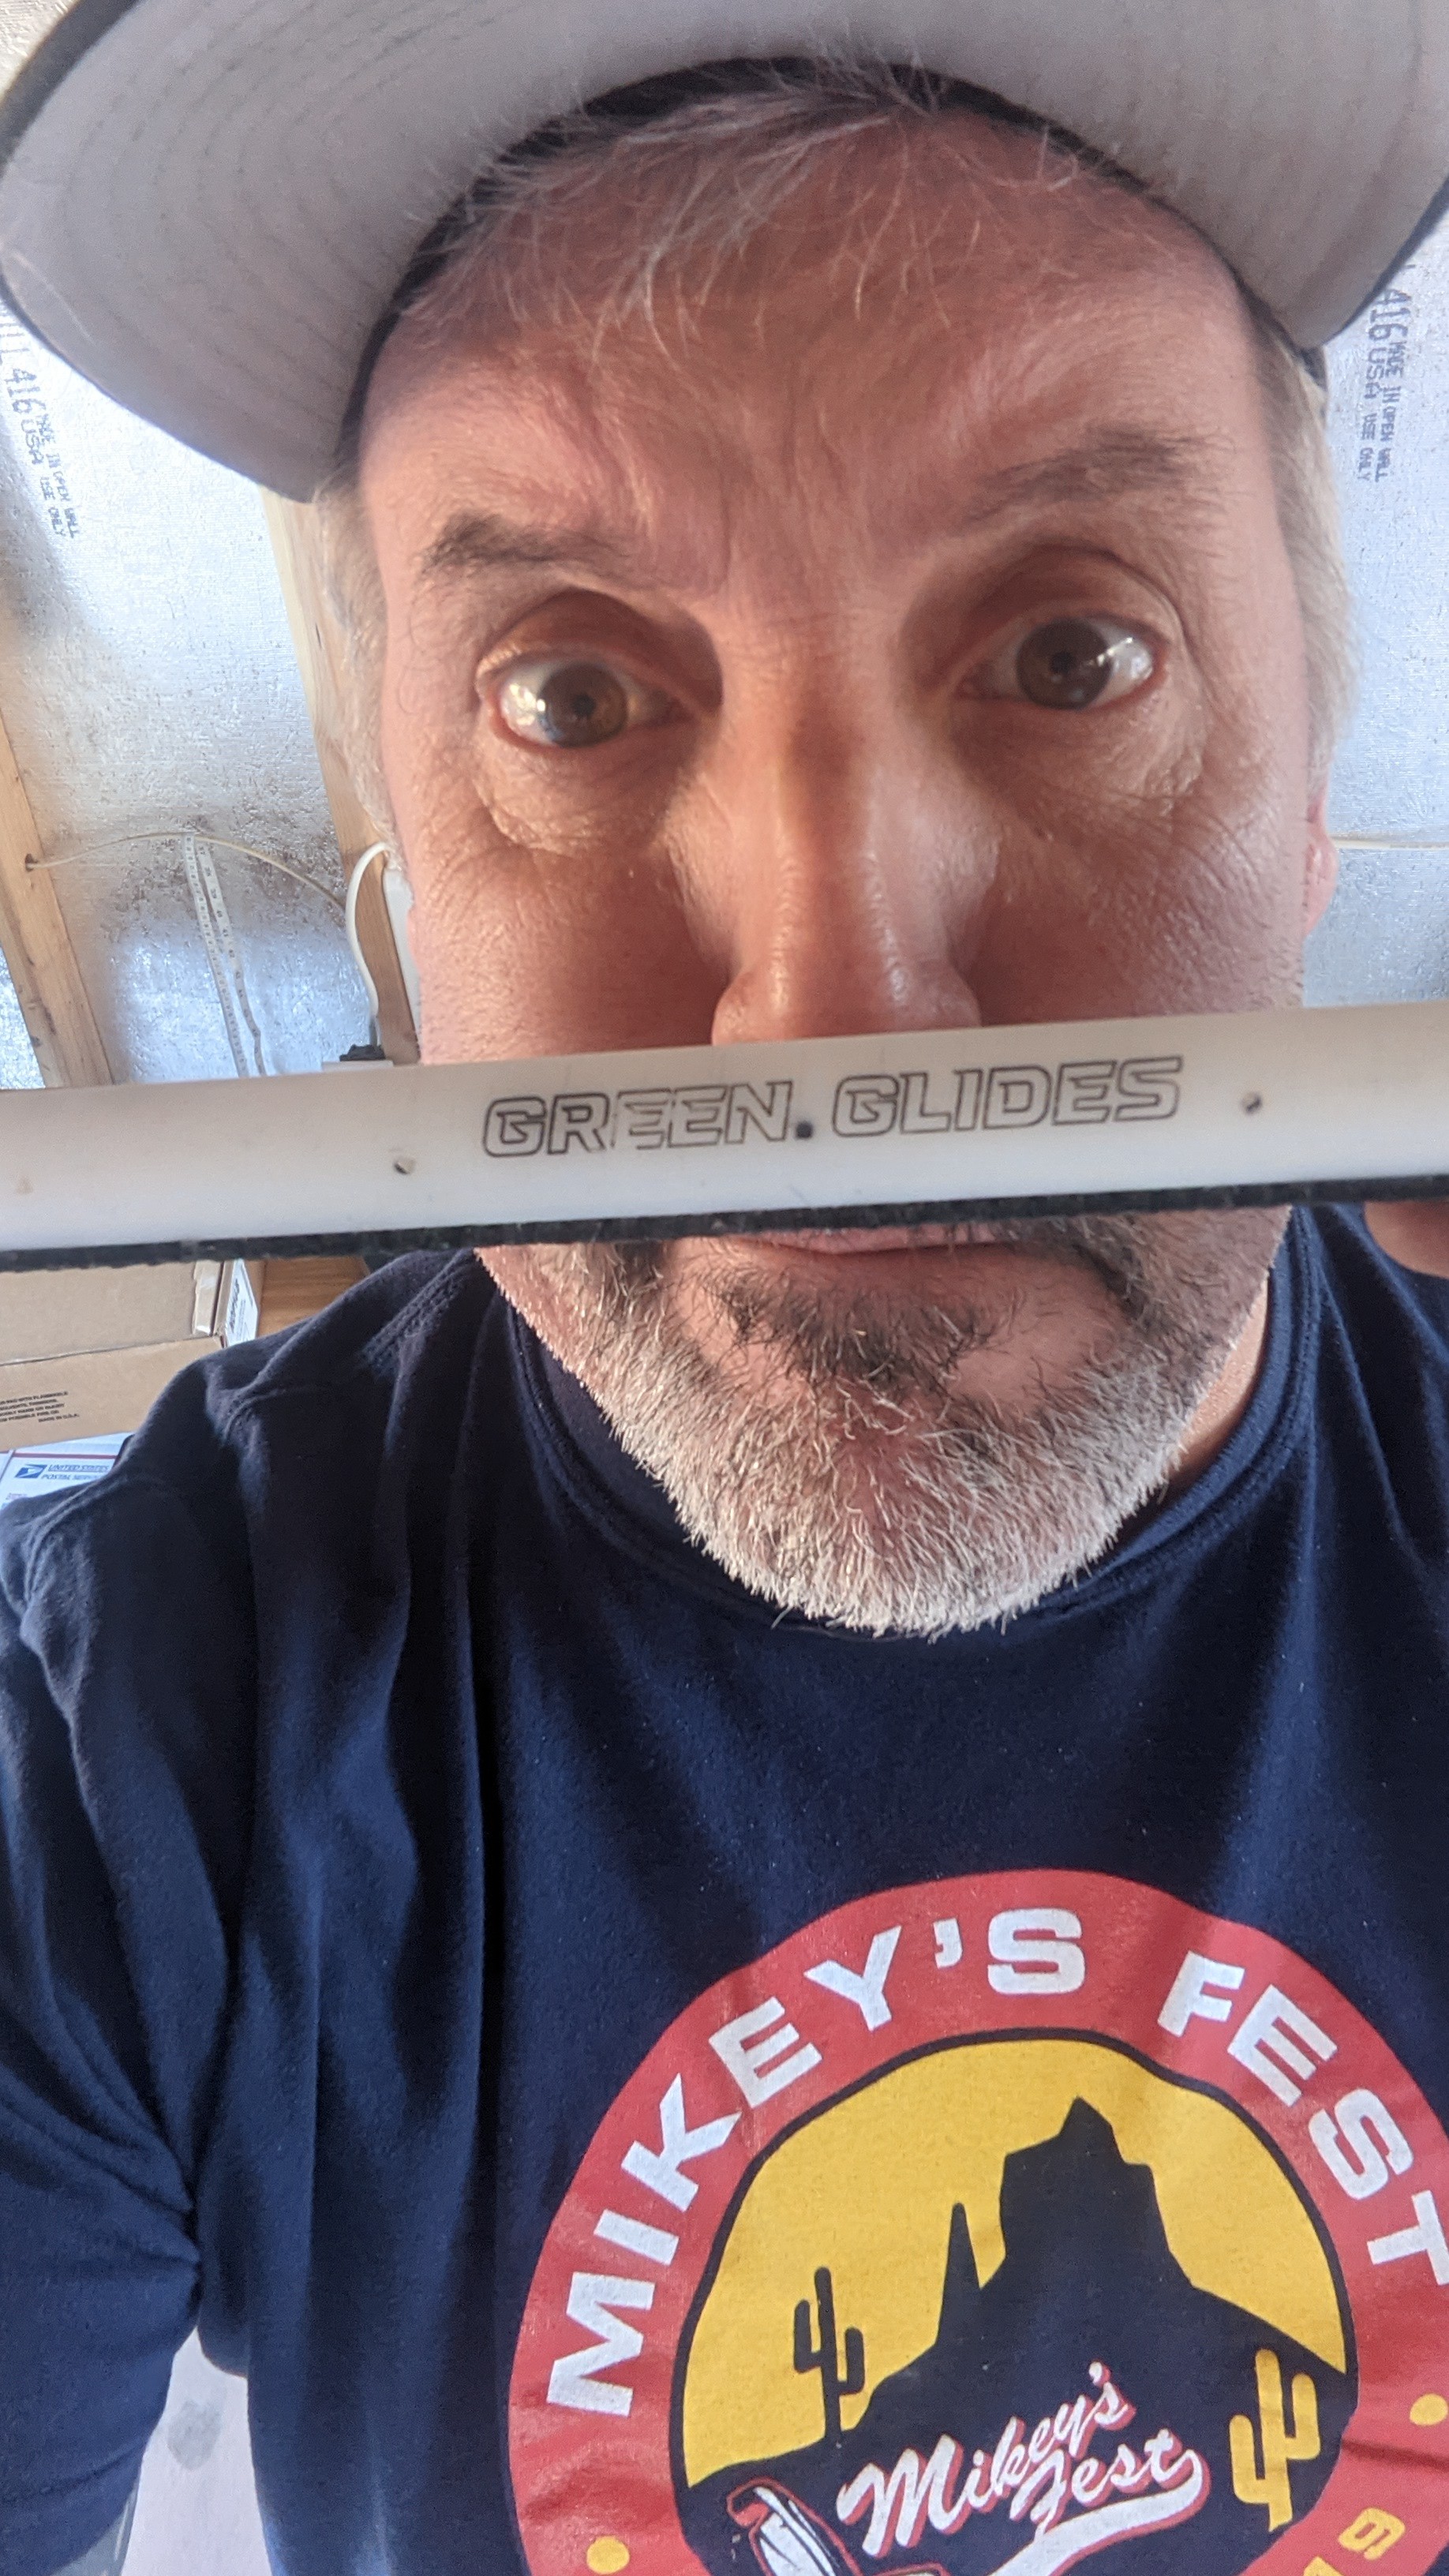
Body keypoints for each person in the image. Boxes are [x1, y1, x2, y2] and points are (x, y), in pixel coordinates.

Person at [0, 11, 1447, 2576]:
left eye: (1071, 652)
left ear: (1314, 796)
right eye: (566, 694)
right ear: (406, 889)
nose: (827, 1014)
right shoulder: (137, 1748)